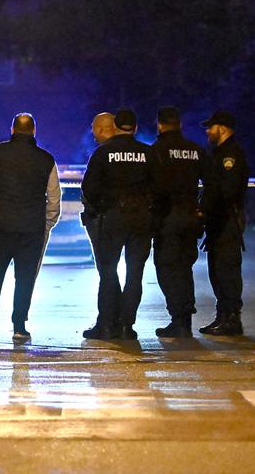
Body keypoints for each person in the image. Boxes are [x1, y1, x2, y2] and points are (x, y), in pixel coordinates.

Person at [0, 113, 61, 342]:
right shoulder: (46, 159)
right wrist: (46, 224)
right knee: (26, 278)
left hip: (0, 227)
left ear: (12, 130)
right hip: (32, 230)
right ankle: (19, 325)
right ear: (34, 131)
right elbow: (54, 197)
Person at [80, 107, 154, 340]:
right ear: (136, 127)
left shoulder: (103, 154)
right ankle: (126, 325)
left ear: (114, 127)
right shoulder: (148, 153)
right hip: (142, 219)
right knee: (135, 274)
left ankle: (106, 325)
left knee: (108, 272)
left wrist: (97, 209)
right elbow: (159, 187)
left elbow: (89, 190)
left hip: (112, 219)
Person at [149, 106, 206, 338]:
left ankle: (179, 319)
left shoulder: (157, 151)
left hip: (167, 218)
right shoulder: (195, 150)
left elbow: (153, 187)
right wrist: (202, 210)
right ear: (179, 124)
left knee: (167, 267)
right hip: (190, 216)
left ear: (159, 124)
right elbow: (213, 181)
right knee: (184, 266)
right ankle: (185, 318)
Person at [199, 110, 249, 336]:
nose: (208, 131)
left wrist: (207, 210)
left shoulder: (231, 155)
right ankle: (223, 315)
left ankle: (231, 318)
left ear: (222, 128)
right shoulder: (218, 153)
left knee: (227, 270)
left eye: (211, 126)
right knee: (217, 270)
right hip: (217, 220)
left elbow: (226, 192)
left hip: (226, 220)